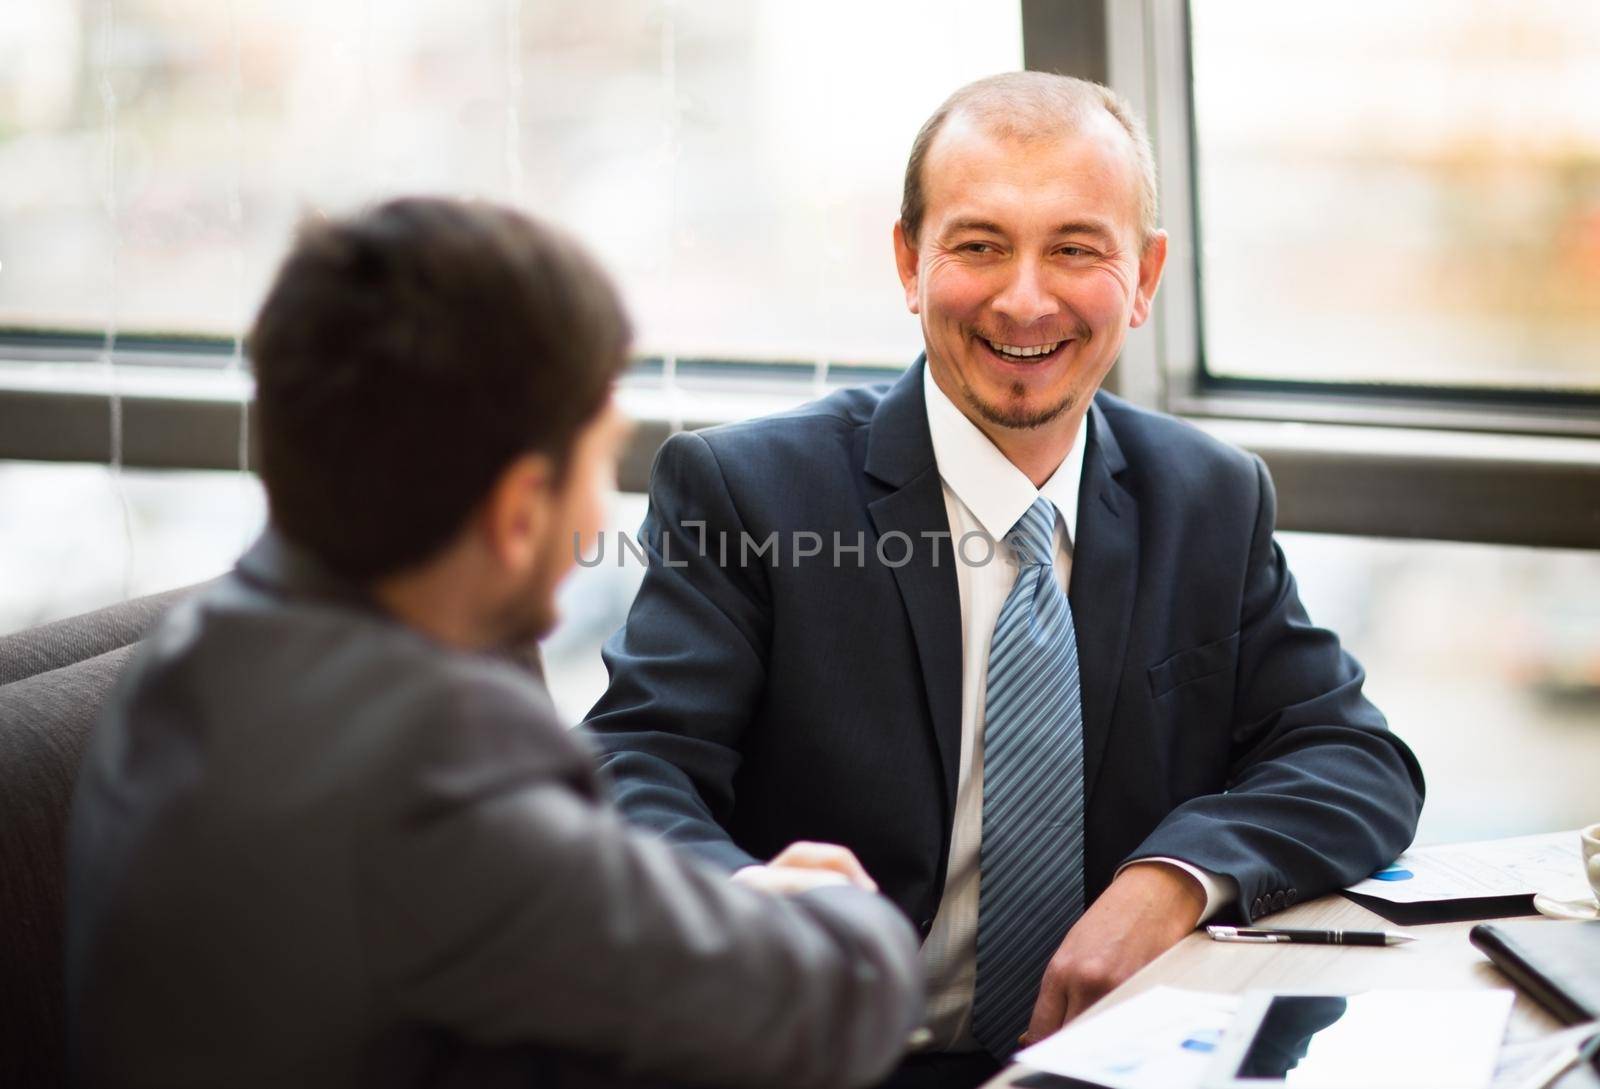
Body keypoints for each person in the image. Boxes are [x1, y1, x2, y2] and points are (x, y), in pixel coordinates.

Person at [583, 72, 1425, 1088]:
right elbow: (629, 769)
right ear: (908, 260)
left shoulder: (1208, 498)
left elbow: (1351, 757)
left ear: (1145, 275)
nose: (1024, 299)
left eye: (1075, 249)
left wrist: (1172, 881)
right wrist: (748, 895)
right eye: (979, 246)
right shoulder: (750, 490)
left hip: (1114, 1066)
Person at [65, 198, 923, 1089]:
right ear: (518, 512)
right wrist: (835, 905)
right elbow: (834, 1000)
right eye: (602, 461)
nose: (601, 512)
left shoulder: (196, 656)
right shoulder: (434, 774)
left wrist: (718, 902)